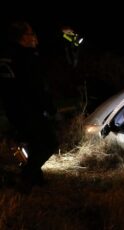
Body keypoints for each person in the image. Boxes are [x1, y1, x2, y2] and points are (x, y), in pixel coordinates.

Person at [0, 21, 59, 192]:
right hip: (28, 109)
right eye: (31, 34)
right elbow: (36, 88)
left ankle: (36, 179)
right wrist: (50, 108)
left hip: (13, 109)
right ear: (22, 38)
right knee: (49, 143)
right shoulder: (26, 58)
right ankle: (26, 178)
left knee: (35, 143)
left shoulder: (6, 56)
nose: (35, 39)